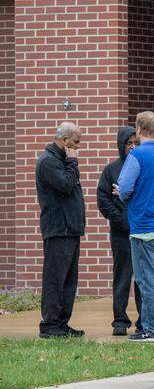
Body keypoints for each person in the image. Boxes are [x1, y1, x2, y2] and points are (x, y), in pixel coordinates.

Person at [115, 111, 154, 343]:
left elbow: (124, 189)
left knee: (148, 280)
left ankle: (153, 331)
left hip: (145, 227)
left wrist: (123, 194)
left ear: (139, 129)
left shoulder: (137, 154)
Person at [35, 121, 86, 339]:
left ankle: (62, 323)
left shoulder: (62, 160)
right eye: (75, 142)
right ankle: (49, 325)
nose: (77, 147)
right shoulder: (48, 162)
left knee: (69, 280)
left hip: (71, 229)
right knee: (55, 278)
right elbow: (65, 185)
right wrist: (73, 162)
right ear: (63, 140)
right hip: (58, 229)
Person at [97, 126, 143, 336]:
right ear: (121, 145)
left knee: (143, 279)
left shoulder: (143, 165)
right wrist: (121, 220)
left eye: (136, 143)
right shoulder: (112, 170)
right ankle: (120, 321)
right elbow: (104, 200)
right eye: (128, 143)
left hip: (142, 231)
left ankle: (145, 320)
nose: (132, 147)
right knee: (122, 277)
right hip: (121, 233)